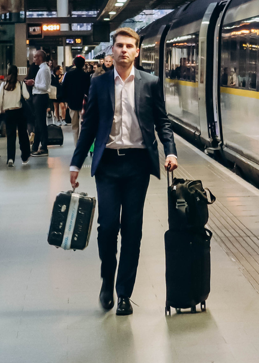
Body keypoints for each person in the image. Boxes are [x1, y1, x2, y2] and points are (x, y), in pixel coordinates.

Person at [69, 27, 177, 316]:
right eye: (119, 45)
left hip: (137, 165)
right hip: (108, 165)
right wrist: (75, 163)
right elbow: (90, 125)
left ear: (137, 51)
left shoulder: (150, 83)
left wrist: (171, 151)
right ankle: (107, 279)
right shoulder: (99, 82)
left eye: (130, 46)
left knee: (133, 230)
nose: (124, 50)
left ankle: (124, 293)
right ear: (112, 50)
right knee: (107, 228)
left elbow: (162, 122)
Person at [0, 65, 31, 167]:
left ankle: (10, 158)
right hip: (19, 112)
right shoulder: (20, 84)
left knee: (10, 136)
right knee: (23, 135)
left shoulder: (3, 85)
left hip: (8, 112)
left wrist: (0, 108)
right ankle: (24, 157)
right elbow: (27, 96)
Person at [25, 50, 51, 157]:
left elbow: (45, 87)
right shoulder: (43, 69)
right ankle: (35, 147)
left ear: (40, 57)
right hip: (39, 97)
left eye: (35, 57)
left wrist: (34, 84)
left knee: (41, 123)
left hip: (40, 97)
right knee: (38, 123)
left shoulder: (44, 70)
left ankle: (44, 147)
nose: (33, 59)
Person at [61, 56, 91, 145]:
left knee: (74, 126)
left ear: (74, 63)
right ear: (83, 64)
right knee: (82, 125)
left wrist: (65, 100)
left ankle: (76, 144)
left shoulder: (69, 74)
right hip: (83, 104)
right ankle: (82, 144)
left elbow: (64, 88)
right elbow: (88, 90)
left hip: (72, 103)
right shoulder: (86, 75)